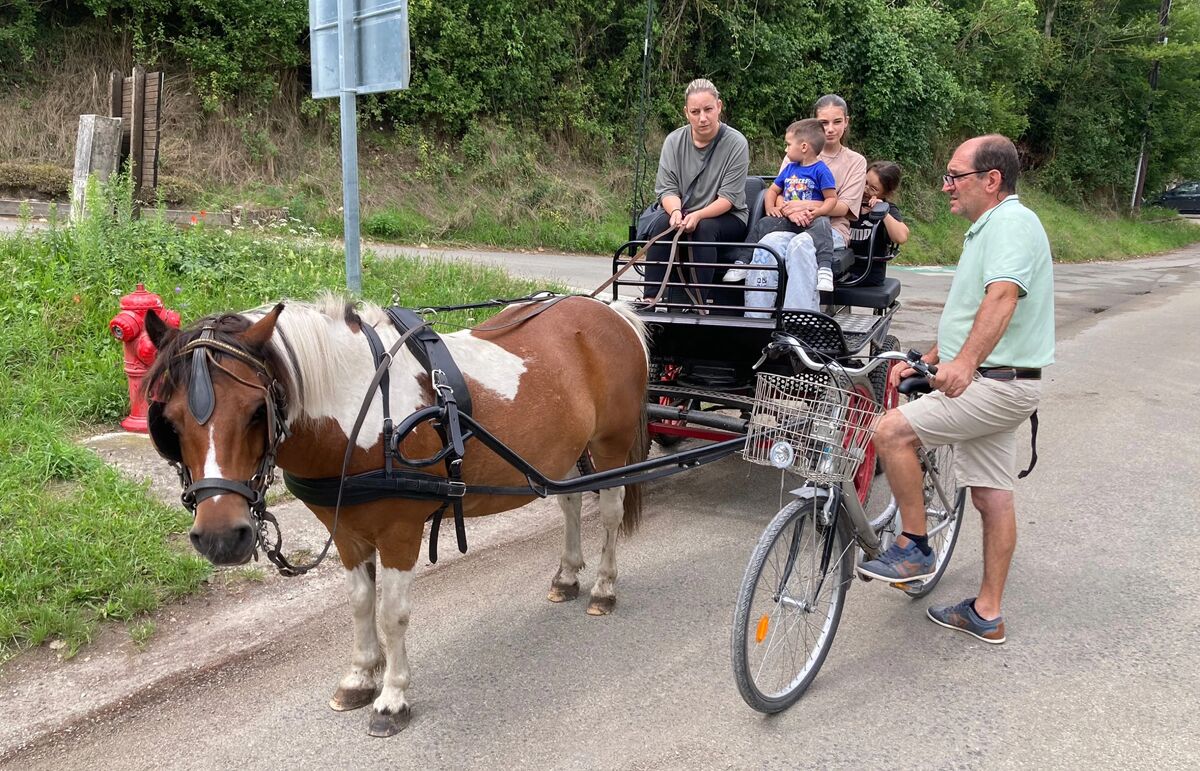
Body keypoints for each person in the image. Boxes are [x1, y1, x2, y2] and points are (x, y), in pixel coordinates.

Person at [861, 134, 1055, 645]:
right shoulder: (989, 227)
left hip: (995, 385)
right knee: (992, 496)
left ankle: (914, 544)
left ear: (991, 181)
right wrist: (931, 356)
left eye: (955, 176)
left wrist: (965, 365)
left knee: (892, 432)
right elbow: (974, 310)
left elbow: (1003, 297)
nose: (946, 186)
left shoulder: (1011, 222)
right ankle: (986, 612)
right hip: (1004, 381)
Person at [739, 94, 867, 314]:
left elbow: (843, 207)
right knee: (768, 242)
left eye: (837, 122)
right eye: (824, 123)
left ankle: (799, 320)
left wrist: (804, 207)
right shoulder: (795, 153)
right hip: (791, 224)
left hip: (829, 229)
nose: (830, 129)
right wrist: (791, 211)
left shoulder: (855, 161)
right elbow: (780, 193)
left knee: (801, 247)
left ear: (846, 122)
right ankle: (756, 317)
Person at [641, 78, 750, 303]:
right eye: (695, 111)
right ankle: (650, 299)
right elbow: (667, 189)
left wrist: (697, 215)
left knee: (703, 228)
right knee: (663, 224)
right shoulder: (673, 141)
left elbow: (728, 198)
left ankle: (700, 302)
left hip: (726, 216)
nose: (703, 118)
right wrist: (676, 213)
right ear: (686, 113)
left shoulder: (736, 143)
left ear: (719, 106)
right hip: (683, 210)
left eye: (708, 109)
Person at [723, 119, 836, 285]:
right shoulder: (789, 168)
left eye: (788, 144)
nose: (785, 149)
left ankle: (825, 269)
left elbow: (831, 199)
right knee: (763, 224)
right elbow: (773, 190)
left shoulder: (821, 170)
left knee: (824, 226)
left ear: (804, 147)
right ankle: (742, 262)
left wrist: (818, 212)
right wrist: (771, 207)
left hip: (810, 218)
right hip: (788, 219)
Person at [844, 160, 909, 286]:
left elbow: (901, 237)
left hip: (869, 275)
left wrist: (882, 211)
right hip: (840, 270)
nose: (865, 190)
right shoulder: (847, 202)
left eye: (873, 189)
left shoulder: (888, 208)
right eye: (865, 182)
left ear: (885, 193)